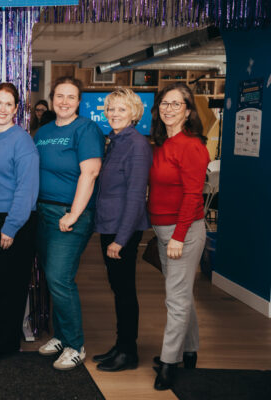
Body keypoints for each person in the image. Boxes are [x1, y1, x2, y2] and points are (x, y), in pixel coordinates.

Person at [34, 76, 104, 370]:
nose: (64, 102)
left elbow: (90, 173)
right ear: (52, 99)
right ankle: (61, 336)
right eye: (59, 96)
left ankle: (76, 345)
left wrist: (73, 214)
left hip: (69, 214)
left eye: (71, 96)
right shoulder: (44, 131)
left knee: (59, 278)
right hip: (42, 212)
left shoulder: (86, 129)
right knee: (53, 278)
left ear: (79, 102)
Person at [0, 83, 39, 368]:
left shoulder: (22, 141)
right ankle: (8, 341)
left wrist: (11, 227)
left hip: (12, 221)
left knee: (7, 287)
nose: (2, 109)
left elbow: (27, 188)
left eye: (8, 104)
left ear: (16, 109)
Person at [148, 82, 209, 391]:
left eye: (176, 104)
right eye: (164, 103)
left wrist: (178, 237)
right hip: (163, 231)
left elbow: (193, 196)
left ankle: (169, 363)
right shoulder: (162, 144)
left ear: (187, 111)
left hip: (182, 232)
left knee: (175, 298)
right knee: (181, 294)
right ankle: (190, 350)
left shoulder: (192, 146)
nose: (168, 108)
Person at [92, 89, 152, 372]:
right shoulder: (115, 141)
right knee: (118, 289)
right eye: (111, 109)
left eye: (121, 109)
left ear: (134, 113)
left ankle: (128, 352)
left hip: (122, 230)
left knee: (125, 292)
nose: (114, 114)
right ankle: (121, 345)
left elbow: (136, 196)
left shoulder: (137, 144)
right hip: (110, 226)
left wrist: (120, 240)